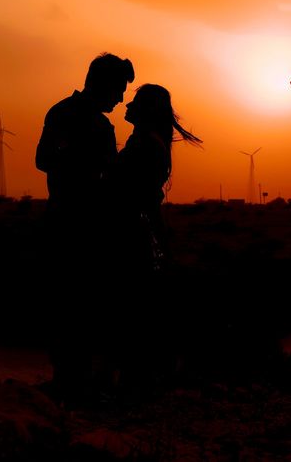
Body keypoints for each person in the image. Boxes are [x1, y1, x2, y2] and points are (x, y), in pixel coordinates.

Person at [35, 52, 134, 404]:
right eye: (119, 89)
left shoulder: (91, 122)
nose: (121, 98)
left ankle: (76, 381)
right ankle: (69, 383)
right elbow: (44, 159)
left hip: (88, 227)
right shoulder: (66, 116)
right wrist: (86, 168)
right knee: (71, 305)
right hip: (71, 226)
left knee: (84, 307)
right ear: (101, 83)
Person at [99, 84, 201, 393]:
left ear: (147, 109)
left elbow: (143, 198)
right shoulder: (146, 143)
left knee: (133, 308)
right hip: (132, 231)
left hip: (130, 233)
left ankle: (138, 379)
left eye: (136, 102)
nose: (127, 105)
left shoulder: (147, 146)